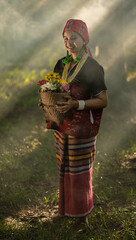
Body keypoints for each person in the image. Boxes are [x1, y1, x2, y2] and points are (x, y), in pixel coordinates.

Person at [45, 19, 108, 224]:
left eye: (73, 38)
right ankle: (64, 210)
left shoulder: (92, 67)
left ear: (84, 39)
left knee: (80, 172)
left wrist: (77, 104)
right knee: (64, 167)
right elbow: (51, 86)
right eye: (65, 38)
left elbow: (103, 100)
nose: (68, 43)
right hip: (62, 125)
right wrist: (46, 101)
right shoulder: (60, 63)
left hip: (82, 127)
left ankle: (82, 217)